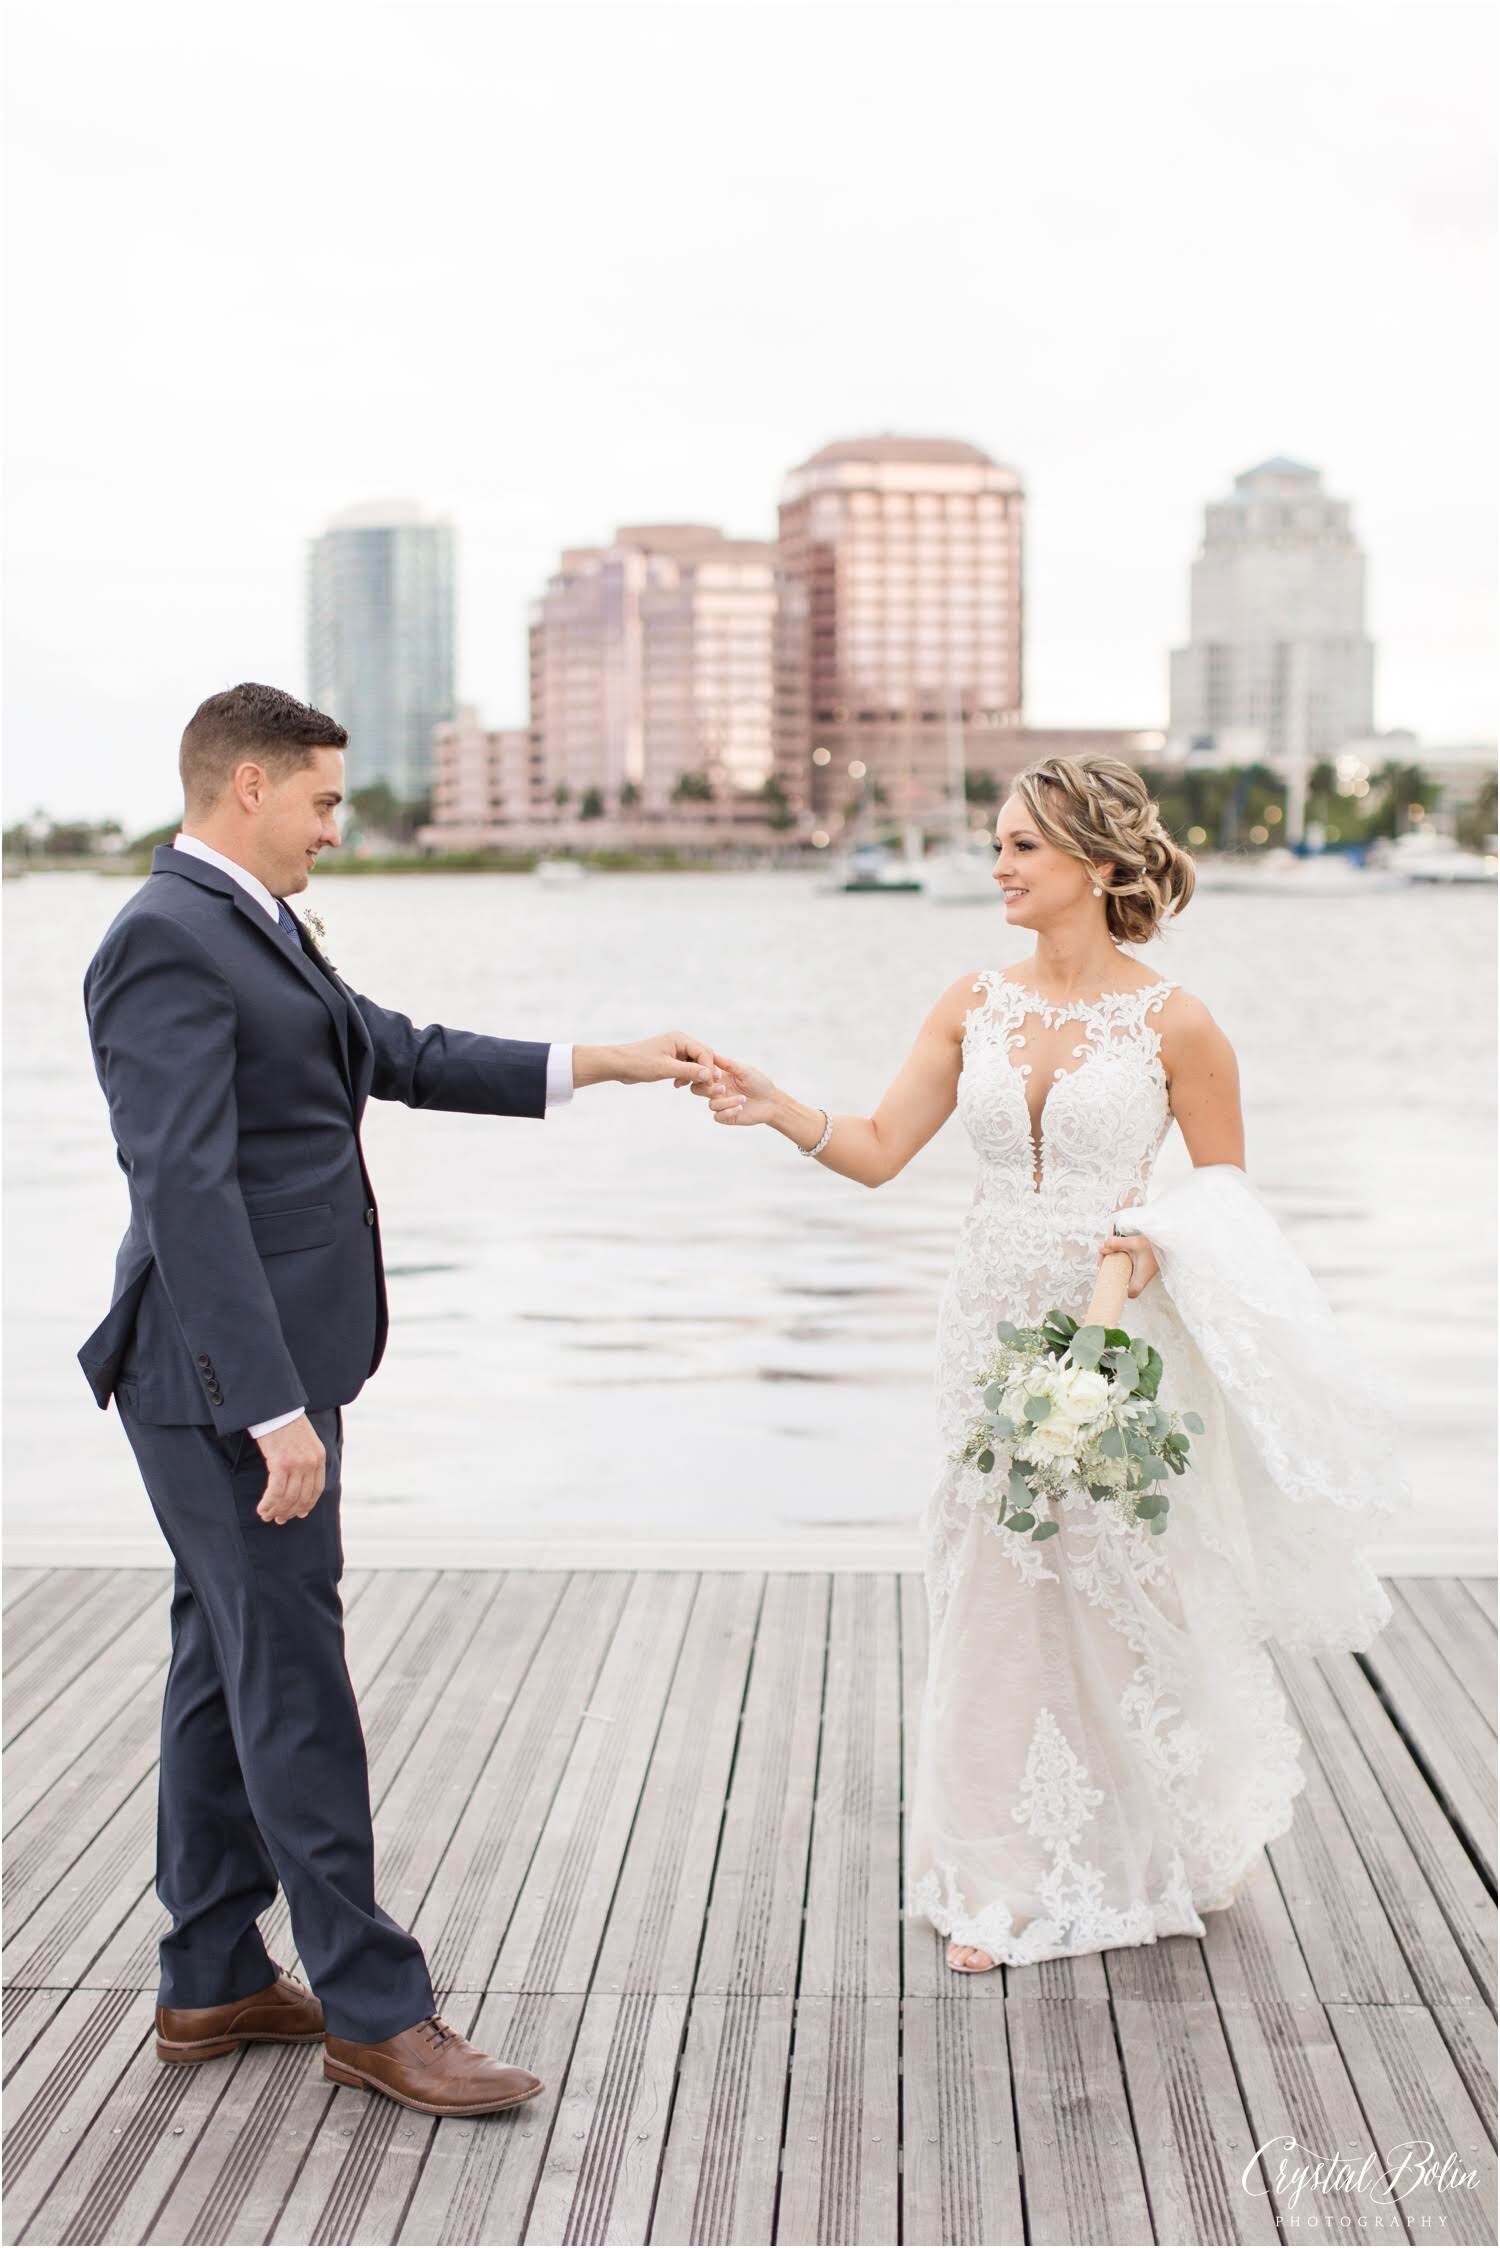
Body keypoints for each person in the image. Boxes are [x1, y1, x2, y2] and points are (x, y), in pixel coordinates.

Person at [78, 681, 721, 2112]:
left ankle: (210, 1977)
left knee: (224, 1656)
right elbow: (181, 1188)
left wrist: (602, 1061)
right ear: (246, 785)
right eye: (320, 801)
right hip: (222, 1385)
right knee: (292, 1683)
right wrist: (268, 1406)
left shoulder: (255, 924)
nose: (334, 828)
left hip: (258, 1375)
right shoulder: (165, 941)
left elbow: (400, 1053)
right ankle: (378, 2010)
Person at [697, 753, 1408, 1973]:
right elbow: (876, 1149)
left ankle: (1149, 1841)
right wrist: (777, 1106)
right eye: (999, 843)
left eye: (1023, 845)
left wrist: (1136, 1263)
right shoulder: (972, 1000)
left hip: (1113, 1320)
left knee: (1119, 1576)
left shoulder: (1178, 1021)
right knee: (991, 1570)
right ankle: (999, 1874)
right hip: (984, 1316)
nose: (999, 867)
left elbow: (1226, 1200)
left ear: (1096, 861)